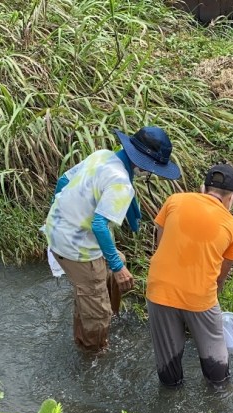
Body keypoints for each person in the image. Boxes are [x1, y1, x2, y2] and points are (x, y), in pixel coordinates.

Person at [42, 126, 180, 352]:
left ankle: (102, 309)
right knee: (98, 308)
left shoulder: (102, 155)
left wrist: (60, 217)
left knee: (113, 266)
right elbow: (98, 225)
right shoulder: (121, 183)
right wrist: (117, 267)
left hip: (56, 229)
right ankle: (92, 353)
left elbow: (62, 182)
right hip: (76, 247)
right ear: (144, 164)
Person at [146, 164, 233, 387]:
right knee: (217, 369)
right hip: (200, 298)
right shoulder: (232, 226)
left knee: (168, 366)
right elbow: (220, 277)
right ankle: (218, 395)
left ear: (202, 188)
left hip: (159, 289)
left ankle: (169, 397)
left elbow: (160, 244)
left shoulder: (174, 200)